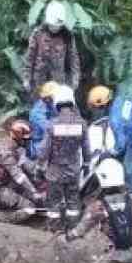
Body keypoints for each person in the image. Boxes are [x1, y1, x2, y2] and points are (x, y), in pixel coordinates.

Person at [86, 85, 132, 235]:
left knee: (126, 174)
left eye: (96, 108)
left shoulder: (115, 118)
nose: (96, 112)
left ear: (102, 105)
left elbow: (121, 143)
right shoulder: (121, 101)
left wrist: (108, 154)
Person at [38, 84, 87, 221]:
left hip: (55, 171)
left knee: (53, 202)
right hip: (73, 170)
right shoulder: (82, 124)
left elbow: (43, 150)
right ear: (72, 102)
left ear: (57, 103)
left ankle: (54, 226)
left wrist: (40, 166)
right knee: (73, 201)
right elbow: (86, 148)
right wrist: (87, 163)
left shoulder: (52, 124)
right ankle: (72, 226)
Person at [0, 120, 46, 216]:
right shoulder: (5, 152)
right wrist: (34, 192)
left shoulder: (17, 148)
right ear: (18, 137)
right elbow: (18, 176)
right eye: (25, 139)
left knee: (38, 200)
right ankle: (3, 220)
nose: (27, 141)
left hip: (10, 184)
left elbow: (29, 166)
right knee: (30, 207)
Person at [23, 0, 81, 103]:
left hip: (58, 81)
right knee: (40, 107)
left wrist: (75, 79)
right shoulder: (38, 34)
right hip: (39, 81)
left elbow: (73, 58)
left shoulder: (67, 35)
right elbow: (30, 57)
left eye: (58, 26)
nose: (55, 28)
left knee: (57, 108)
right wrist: (26, 78)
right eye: (53, 25)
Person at [27, 81, 62, 160]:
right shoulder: (37, 113)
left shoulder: (53, 106)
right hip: (39, 147)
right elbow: (52, 131)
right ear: (48, 98)